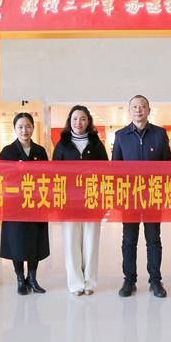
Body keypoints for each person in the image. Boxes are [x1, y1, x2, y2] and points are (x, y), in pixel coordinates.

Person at [112, 94, 171, 298]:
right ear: (129, 111)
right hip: (129, 198)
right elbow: (115, 169)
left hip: (153, 196)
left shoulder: (160, 134)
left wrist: (164, 194)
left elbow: (167, 166)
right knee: (129, 240)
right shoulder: (121, 135)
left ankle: (155, 281)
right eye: (135, 107)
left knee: (153, 239)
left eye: (142, 106)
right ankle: (129, 280)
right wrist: (118, 196)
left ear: (148, 110)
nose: (138, 110)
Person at [52, 105, 109, 296]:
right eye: (75, 119)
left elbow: (106, 172)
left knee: (91, 241)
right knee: (71, 242)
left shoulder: (97, 144)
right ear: (70, 121)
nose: (79, 122)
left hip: (92, 199)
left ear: (88, 122)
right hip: (69, 200)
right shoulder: (62, 145)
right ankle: (76, 283)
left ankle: (89, 282)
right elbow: (54, 174)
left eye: (83, 118)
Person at [0, 112, 50, 295]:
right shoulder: (8, 151)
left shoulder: (40, 151)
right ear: (15, 129)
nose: (24, 130)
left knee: (35, 240)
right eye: (20, 127)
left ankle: (33, 279)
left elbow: (48, 176)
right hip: (15, 205)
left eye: (28, 126)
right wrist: (15, 170)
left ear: (33, 128)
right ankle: (20, 279)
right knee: (17, 241)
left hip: (36, 203)